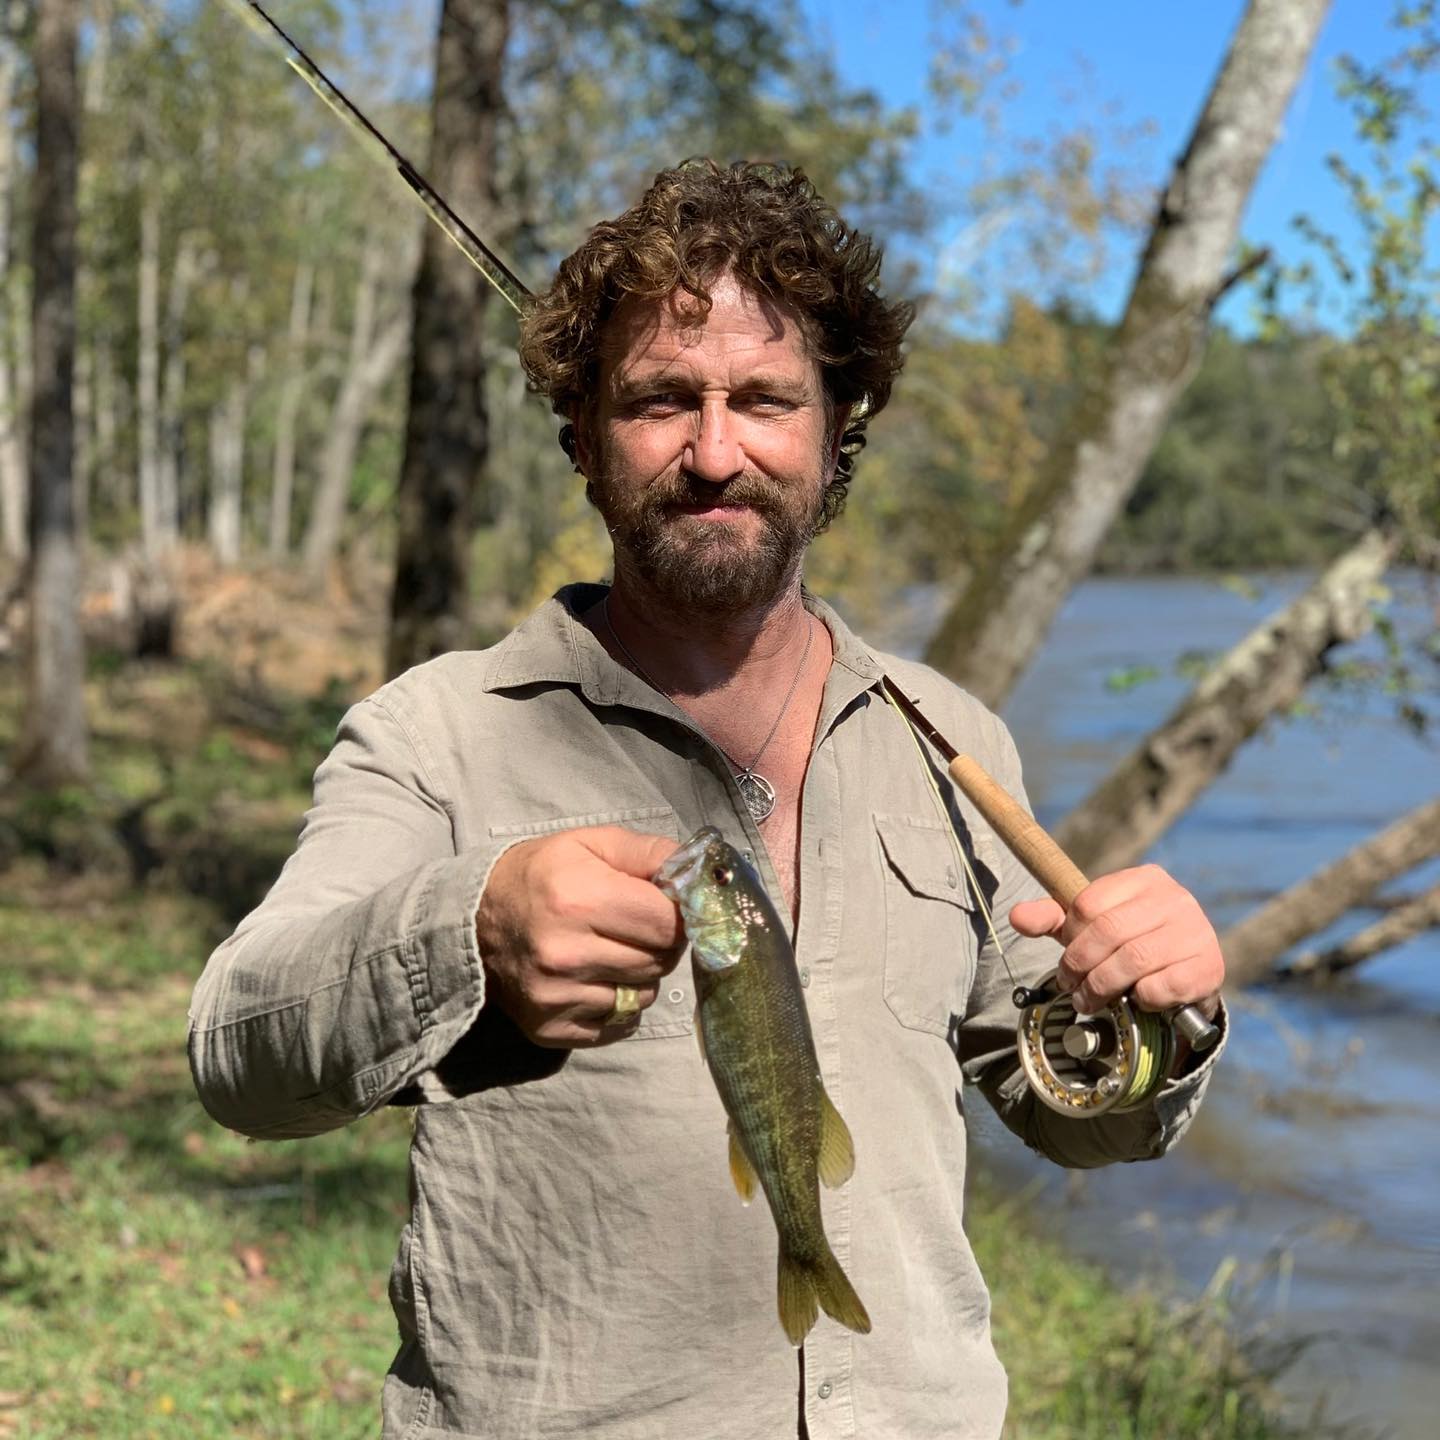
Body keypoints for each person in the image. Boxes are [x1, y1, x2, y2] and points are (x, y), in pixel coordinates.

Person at [188, 160, 1225, 1440]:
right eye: (660, 400)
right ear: (585, 439)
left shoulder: (955, 740)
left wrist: (1151, 1012)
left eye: (766, 399)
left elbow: (1078, 1117)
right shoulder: (435, 734)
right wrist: (470, 931)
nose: (716, 453)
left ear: (836, 431)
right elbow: (235, 1053)